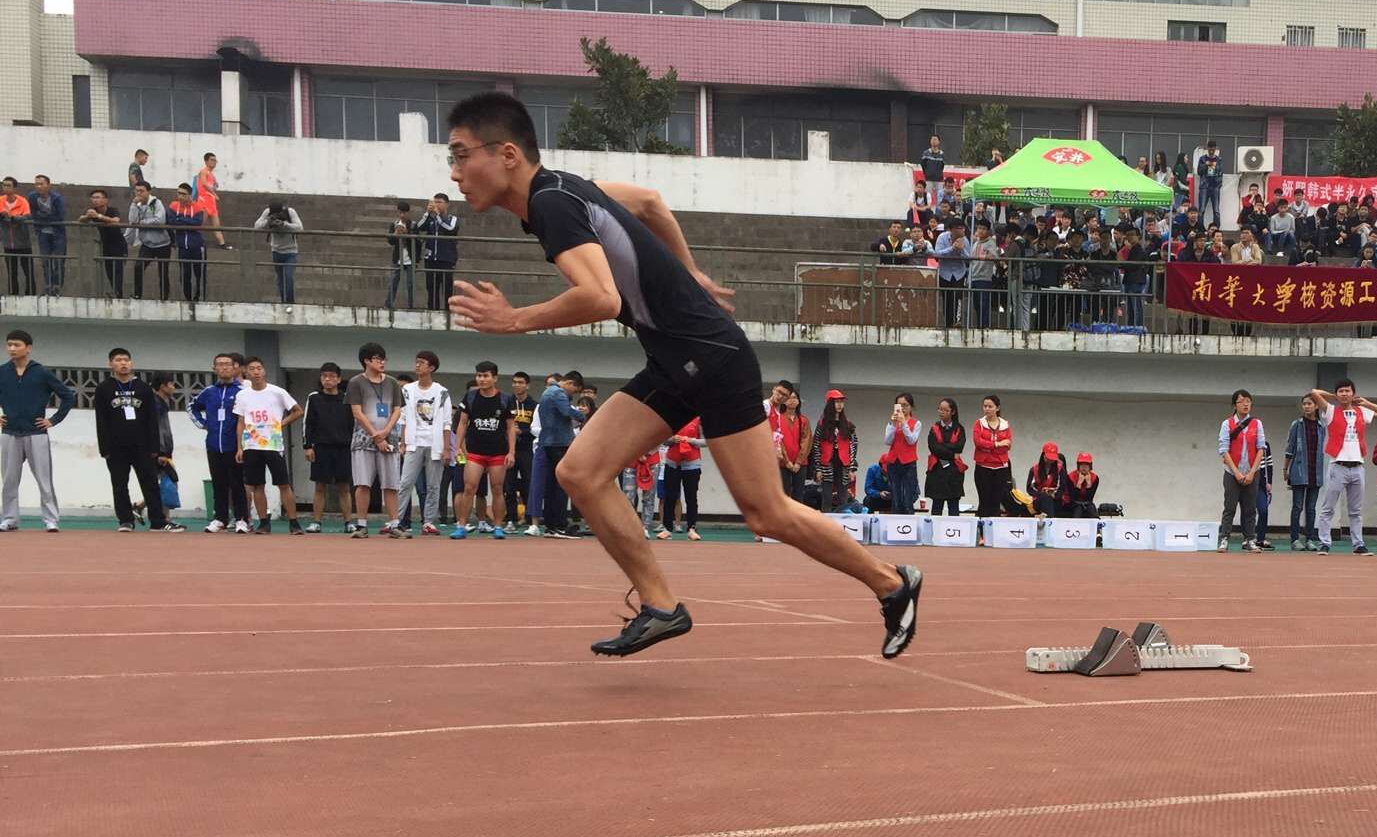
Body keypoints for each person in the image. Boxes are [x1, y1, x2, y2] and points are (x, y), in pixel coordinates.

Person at [445, 92, 920, 657]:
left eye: (460, 155)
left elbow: (600, 296)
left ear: (506, 154)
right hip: (676, 360)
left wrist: (514, 320)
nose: (454, 173)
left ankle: (893, 583)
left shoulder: (552, 203)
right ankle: (660, 606)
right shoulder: (566, 189)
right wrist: (689, 271)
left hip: (712, 358)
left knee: (766, 512)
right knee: (582, 472)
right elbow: (649, 203)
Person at [94, 348, 184, 532]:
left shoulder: (143, 388)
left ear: (131, 363)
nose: (123, 363)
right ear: (110, 364)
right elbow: (101, 420)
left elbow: (152, 419)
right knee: (119, 485)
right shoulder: (104, 388)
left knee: (150, 483)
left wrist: (155, 447)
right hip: (116, 446)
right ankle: (125, 520)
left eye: (126, 360)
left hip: (143, 446)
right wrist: (104, 448)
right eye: (118, 360)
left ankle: (158, 522)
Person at [0, 329, 75, 532]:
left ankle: (51, 519)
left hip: (36, 433)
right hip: (9, 433)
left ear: (28, 348)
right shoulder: (3, 372)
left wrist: (53, 420)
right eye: (9, 345)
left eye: (17, 345)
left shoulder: (41, 372)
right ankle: (9, 519)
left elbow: (68, 395)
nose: (12, 348)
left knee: (44, 479)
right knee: (9, 480)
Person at [233, 357, 304, 535]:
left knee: (283, 484)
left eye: (259, 368)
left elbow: (298, 411)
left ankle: (294, 522)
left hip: (273, 445)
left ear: (264, 371)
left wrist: (280, 424)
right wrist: (239, 447)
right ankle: (264, 522)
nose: (256, 372)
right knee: (257, 485)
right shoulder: (242, 395)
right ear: (246, 372)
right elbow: (241, 421)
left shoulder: (277, 392)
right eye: (252, 369)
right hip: (251, 445)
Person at [1309, 381, 1375, 556]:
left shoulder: (1362, 411)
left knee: (1356, 510)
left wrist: (1366, 403)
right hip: (1338, 466)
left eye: (1347, 391)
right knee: (1328, 507)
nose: (1344, 394)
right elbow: (1314, 392)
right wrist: (1334, 397)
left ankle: (1358, 544)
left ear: (1353, 393)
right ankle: (1324, 543)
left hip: (1358, 466)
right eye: (1341, 391)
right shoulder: (1331, 411)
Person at [346, 342, 405, 538]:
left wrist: (385, 432)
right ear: (366, 361)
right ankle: (361, 525)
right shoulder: (356, 382)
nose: (382, 362)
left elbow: (397, 410)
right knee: (363, 483)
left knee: (391, 484)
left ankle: (395, 525)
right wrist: (376, 435)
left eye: (383, 358)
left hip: (390, 439)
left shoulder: (392, 383)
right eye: (378, 359)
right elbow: (357, 412)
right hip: (363, 440)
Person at [453, 360, 516, 540]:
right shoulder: (470, 397)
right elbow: (462, 423)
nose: (481, 379)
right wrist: (458, 447)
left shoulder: (505, 399)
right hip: (475, 452)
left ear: (494, 378)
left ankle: (498, 526)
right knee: (469, 488)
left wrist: (511, 452)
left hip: (498, 452)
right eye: (479, 375)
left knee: (497, 489)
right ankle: (461, 526)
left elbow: (511, 427)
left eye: (486, 376)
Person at [189, 352, 250, 533]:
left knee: (237, 484)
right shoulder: (209, 392)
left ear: (234, 368)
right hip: (214, 445)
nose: (224, 367)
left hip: (235, 446)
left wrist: (243, 443)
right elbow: (191, 407)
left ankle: (241, 519)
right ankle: (220, 518)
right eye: (220, 364)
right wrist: (203, 424)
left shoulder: (242, 392)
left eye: (227, 364)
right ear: (214, 368)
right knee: (218, 483)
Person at [397, 351, 453, 536]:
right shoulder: (407, 390)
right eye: (416, 362)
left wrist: (447, 448)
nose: (417, 365)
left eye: (422, 362)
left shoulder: (442, 392)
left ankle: (428, 521)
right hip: (413, 442)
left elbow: (446, 422)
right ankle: (396, 520)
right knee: (405, 482)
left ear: (431, 368)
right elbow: (403, 418)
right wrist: (402, 442)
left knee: (433, 485)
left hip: (435, 443)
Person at [303, 362, 356, 533]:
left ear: (339, 379)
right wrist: (307, 446)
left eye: (332, 376)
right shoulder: (314, 398)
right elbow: (308, 423)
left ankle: (348, 522)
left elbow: (353, 424)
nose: (328, 379)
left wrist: (353, 446)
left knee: (344, 487)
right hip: (321, 448)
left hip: (343, 448)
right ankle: (316, 522)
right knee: (320, 486)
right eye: (324, 376)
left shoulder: (347, 399)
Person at [535, 370, 585, 539]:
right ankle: (560, 525)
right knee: (561, 485)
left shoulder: (548, 392)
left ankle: (551, 525)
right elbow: (566, 411)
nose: (573, 395)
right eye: (575, 390)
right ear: (570, 383)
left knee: (551, 485)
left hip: (549, 443)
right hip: (559, 443)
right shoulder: (558, 393)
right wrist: (583, 416)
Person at [1217, 388, 1264, 554]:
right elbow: (1224, 450)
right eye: (1241, 401)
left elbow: (1261, 448)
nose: (1245, 404)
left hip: (1252, 472)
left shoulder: (1257, 424)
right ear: (1234, 405)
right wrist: (1236, 472)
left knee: (1250, 508)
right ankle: (1224, 538)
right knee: (1229, 507)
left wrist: (1252, 472)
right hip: (1232, 473)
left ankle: (1250, 539)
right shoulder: (1227, 424)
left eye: (1248, 401)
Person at [1284, 393, 1325, 551]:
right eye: (1304, 404)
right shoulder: (1297, 424)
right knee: (1297, 507)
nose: (1307, 406)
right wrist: (1285, 468)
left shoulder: (1321, 426)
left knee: (1311, 508)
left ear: (1316, 406)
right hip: (1299, 471)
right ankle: (1295, 539)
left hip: (1316, 472)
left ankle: (1309, 539)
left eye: (1310, 403)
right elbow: (1290, 448)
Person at [971, 395, 1014, 534]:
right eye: (985, 406)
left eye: (990, 406)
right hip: (983, 467)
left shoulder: (1005, 424)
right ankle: (981, 533)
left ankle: (994, 533)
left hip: (1000, 467)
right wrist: (997, 444)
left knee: (996, 501)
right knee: (984, 500)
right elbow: (978, 442)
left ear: (997, 408)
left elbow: (1008, 445)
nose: (987, 409)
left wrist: (989, 446)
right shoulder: (979, 423)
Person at [811, 389, 858, 513]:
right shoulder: (822, 424)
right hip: (827, 462)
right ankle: (825, 521)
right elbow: (816, 446)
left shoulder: (848, 424)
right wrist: (818, 468)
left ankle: (844, 521)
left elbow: (853, 445)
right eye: (837, 402)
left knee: (843, 497)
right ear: (830, 404)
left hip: (844, 463)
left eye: (841, 402)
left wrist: (852, 468)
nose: (840, 405)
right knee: (826, 496)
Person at [659, 417, 705, 540]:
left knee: (691, 496)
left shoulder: (698, 420)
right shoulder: (673, 417)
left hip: (692, 463)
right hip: (672, 463)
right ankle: (667, 528)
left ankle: (692, 528)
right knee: (670, 496)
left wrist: (690, 440)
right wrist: (672, 439)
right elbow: (663, 440)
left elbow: (706, 441)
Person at [502, 371, 537, 533]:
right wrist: (509, 431)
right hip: (509, 450)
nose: (517, 385)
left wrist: (522, 431)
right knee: (508, 485)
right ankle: (510, 519)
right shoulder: (506, 402)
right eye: (515, 382)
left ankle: (530, 519)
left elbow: (538, 428)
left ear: (527, 385)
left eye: (521, 382)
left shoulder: (534, 405)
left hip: (527, 450)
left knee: (529, 483)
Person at [79, 189, 129, 298]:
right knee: (109, 270)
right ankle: (115, 293)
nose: (95, 200)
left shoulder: (112, 210)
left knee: (117, 270)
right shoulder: (92, 210)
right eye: (93, 198)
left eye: (98, 197)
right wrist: (88, 216)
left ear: (105, 200)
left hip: (118, 244)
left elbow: (116, 221)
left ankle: (117, 293)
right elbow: (81, 220)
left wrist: (99, 216)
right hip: (106, 244)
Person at [127, 181, 172, 300]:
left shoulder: (155, 203)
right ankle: (137, 294)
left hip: (162, 244)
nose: (139, 193)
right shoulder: (137, 205)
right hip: (147, 244)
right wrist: (133, 204)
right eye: (137, 191)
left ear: (148, 192)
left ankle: (164, 297)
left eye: (141, 191)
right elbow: (132, 221)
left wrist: (142, 223)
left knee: (163, 271)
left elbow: (159, 220)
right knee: (138, 267)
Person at [253, 201, 304, 304]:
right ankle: (283, 301)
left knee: (288, 277)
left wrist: (284, 224)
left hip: (290, 251)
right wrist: (268, 221)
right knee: (281, 279)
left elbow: (300, 228)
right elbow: (256, 226)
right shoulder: (267, 212)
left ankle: (290, 302)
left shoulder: (290, 212)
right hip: (276, 251)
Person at [417, 193, 460, 311]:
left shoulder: (452, 219)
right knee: (431, 287)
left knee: (447, 288)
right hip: (431, 259)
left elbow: (450, 229)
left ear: (447, 204)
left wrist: (439, 216)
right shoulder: (431, 219)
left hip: (446, 259)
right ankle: (432, 311)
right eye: (434, 202)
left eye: (439, 202)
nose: (436, 204)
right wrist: (427, 213)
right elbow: (419, 227)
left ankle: (448, 312)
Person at [166, 183, 207, 302]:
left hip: (197, 246)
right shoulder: (173, 206)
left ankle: (198, 296)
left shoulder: (198, 207)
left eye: (183, 194)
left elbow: (197, 223)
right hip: (182, 247)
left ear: (190, 195)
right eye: (178, 193)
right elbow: (172, 221)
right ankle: (188, 298)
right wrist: (187, 221)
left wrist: (180, 219)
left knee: (199, 274)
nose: (180, 196)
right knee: (185, 274)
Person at [925, 397, 965, 517]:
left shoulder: (959, 429)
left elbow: (959, 447)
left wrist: (942, 446)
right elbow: (933, 448)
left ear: (953, 412)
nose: (941, 412)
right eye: (940, 409)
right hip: (937, 471)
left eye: (945, 410)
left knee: (953, 506)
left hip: (954, 471)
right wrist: (952, 454)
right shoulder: (934, 428)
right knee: (937, 506)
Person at [27, 175, 66, 296]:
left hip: (58, 233)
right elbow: (33, 215)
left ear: (48, 185)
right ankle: (48, 287)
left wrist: (42, 217)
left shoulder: (57, 198)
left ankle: (57, 287)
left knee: (59, 262)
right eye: (36, 184)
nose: (38, 186)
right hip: (42, 232)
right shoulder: (32, 197)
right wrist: (45, 218)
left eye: (41, 184)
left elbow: (60, 216)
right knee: (45, 262)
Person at [884, 392, 921, 514]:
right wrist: (893, 424)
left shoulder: (916, 423)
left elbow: (911, 440)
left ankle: (908, 522)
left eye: (905, 405)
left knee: (908, 498)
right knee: (895, 498)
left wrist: (904, 423)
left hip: (908, 463)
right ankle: (895, 520)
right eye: (899, 405)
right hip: (893, 462)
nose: (902, 408)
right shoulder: (892, 423)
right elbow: (887, 441)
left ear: (911, 407)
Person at [0, 177, 35, 296]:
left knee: (28, 271)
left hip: (23, 242)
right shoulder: (0, 200)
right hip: (8, 243)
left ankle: (31, 295)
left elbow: (27, 216)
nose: (5, 188)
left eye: (8, 185)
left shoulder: (22, 201)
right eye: (4, 185)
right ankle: (13, 295)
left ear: (14, 188)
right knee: (11, 272)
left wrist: (12, 217)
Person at [776, 391, 810, 503]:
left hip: (800, 465)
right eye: (789, 398)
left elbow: (807, 441)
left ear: (798, 401)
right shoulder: (777, 419)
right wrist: (787, 461)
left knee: (799, 495)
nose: (792, 400)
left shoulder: (803, 420)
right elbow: (777, 440)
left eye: (795, 397)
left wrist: (798, 462)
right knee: (783, 496)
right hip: (782, 463)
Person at [386, 202, 418, 310]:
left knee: (410, 284)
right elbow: (390, 241)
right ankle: (388, 304)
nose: (402, 215)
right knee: (393, 282)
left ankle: (410, 306)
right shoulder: (394, 224)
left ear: (408, 213)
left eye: (404, 213)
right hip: (398, 258)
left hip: (410, 258)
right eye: (400, 213)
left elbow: (417, 242)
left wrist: (407, 234)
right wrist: (395, 234)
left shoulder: (413, 225)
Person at [196, 152, 230, 249]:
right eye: (212, 160)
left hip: (211, 202)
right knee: (200, 224)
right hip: (204, 201)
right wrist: (214, 193)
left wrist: (215, 186)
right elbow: (203, 184)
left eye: (215, 160)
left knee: (216, 225)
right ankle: (195, 242)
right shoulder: (203, 171)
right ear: (206, 161)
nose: (214, 162)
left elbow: (212, 185)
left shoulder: (211, 175)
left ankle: (222, 244)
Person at [1026, 442, 1069, 517]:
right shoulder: (1034, 469)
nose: (1050, 460)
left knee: (1049, 500)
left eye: (1052, 458)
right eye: (1048, 458)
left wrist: (1054, 494)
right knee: (1045, 498)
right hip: (1039, 499)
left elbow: (1062, 487)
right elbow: (1029, 488)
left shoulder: (1060, 469)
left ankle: (1046, 518)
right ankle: (1050, 519)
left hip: (1055, 499)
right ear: (1043, 455)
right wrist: (1041, 493)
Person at [1196, 140, 1223, 227]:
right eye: (1210, 148)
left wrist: (1219, 185)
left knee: (1216, 210)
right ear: (1207, 148)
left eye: (1213, 148)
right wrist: (1206, 165)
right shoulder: (1202, 159)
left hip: (1215, 187)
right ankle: (1200, 228)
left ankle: (1216, 228)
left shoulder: (1219, 159)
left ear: (1215, 148)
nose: (1211, 150)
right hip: (1204, 186)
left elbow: (1221, 173)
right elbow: (1199, 172)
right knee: (1201, 209)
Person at [1067, 452, 1099, 518]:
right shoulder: (1070, 477)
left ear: (1090, 467)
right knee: (1078, 510)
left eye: (1086, 465)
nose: (1084, 467)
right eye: (1082, 465)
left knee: (1093, 512)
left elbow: (1090, 498)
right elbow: (1073, 497)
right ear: (1078, 466)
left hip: (1088, 503)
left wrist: (1089, 484)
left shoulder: (1095, 478)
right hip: (1074, 503)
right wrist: (1079, 483)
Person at [919, 135, 945, 208]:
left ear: (939, 142)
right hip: (929, 179)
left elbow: (942, 166)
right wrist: (927, 173)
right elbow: (923, 164)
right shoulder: (926, 153)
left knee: (940, 199)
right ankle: (928, 212)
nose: (933, 141)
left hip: (939, 180)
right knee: (928, 198)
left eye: (935, 139)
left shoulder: (942, 154)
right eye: (932, 139)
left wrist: (938, 173)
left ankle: (938, 212)